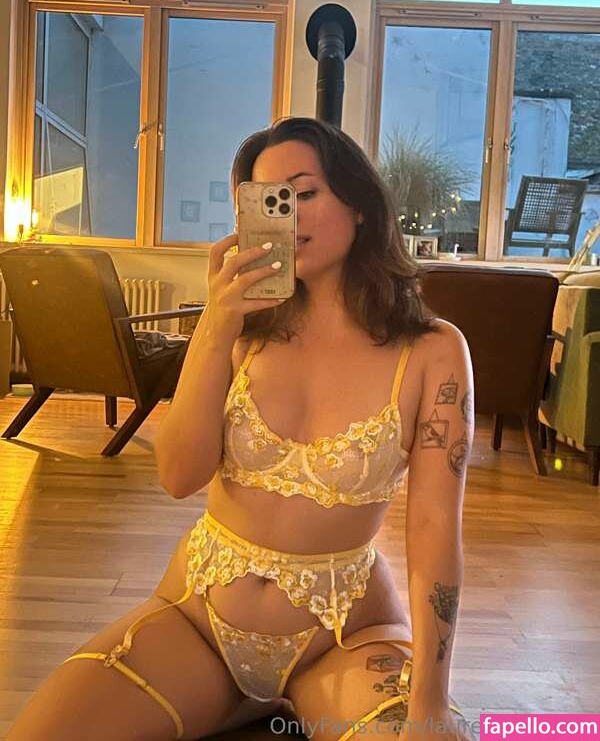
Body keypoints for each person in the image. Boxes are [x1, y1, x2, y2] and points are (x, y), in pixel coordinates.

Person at [7, 117, 475, 741]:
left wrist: (431, 700)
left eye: (304, 193)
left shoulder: (432, 351)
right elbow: (178, 475)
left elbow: (435, 526)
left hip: (343, 636)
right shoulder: (240, 334)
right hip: (196, 623)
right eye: (267, 201)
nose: (287, 217)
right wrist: (216, 323)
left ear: (359, 203)